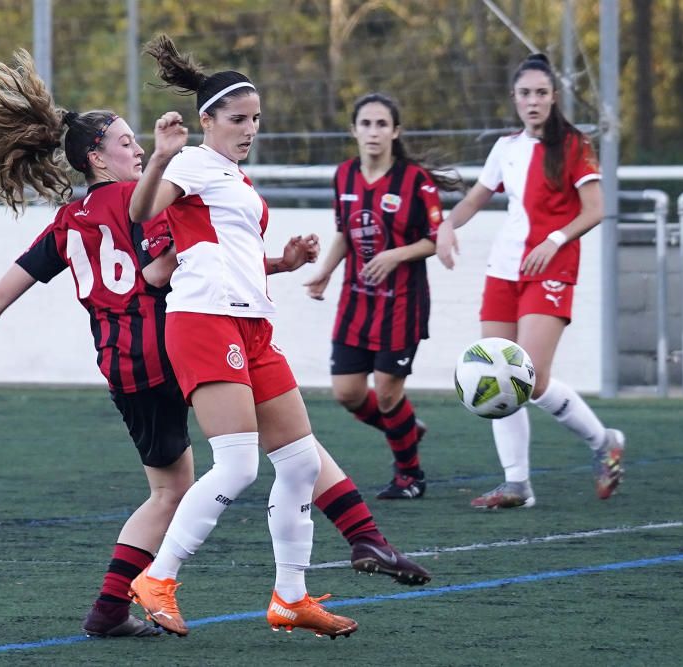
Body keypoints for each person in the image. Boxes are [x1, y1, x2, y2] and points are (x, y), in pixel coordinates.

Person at [0, 48, 428, 641]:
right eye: (125, 143)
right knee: (272, 455)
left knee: (186, 485)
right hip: (183, 338)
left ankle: (116, 607)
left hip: (125, 365)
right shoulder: (154, 188)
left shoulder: (69, 220)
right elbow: (162, 268)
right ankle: (346, 539)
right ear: (97, 157)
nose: (138, 149)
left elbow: (4, 290)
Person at [124, 34, 422, 639]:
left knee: (299, 464)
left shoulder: (234, 175)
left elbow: (222, 252)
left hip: (252, 323)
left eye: (255, 119)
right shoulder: (189, 162)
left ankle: (291, 597)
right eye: (238, 119)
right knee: (236, 468)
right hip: (205, 322)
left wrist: (281, 264)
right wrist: (159, 155)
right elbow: (141, 212)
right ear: (208, 120)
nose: (249, 128)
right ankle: (158, 577)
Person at [435, 53, 625, 510]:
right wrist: (443, 225)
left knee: (532, 379)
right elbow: (475, 200)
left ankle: (604, 442)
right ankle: (517, 484)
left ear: (554, 97)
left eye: (541, 93)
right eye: (525, 93)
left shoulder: (574, 145)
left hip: (551, 268)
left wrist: (555, 239)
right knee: (498, 375)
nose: (533, 101)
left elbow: (596, 209)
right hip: (503, 270)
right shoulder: (507, 147)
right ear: (515, 99)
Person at [304, 92, 461, 500]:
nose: (373, 132)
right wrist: (324, 272)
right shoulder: (344, 176)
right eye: (366, 124)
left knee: (389, 394)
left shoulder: (416, 181)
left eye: (381, 124)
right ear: (354, 130)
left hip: (402, 306)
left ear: (396, 131)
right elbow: (344, 232)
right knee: (348, 393)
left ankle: (410, 476)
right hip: (355, 303)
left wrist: (395, 255)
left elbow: (434, 239)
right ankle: (407, 427)